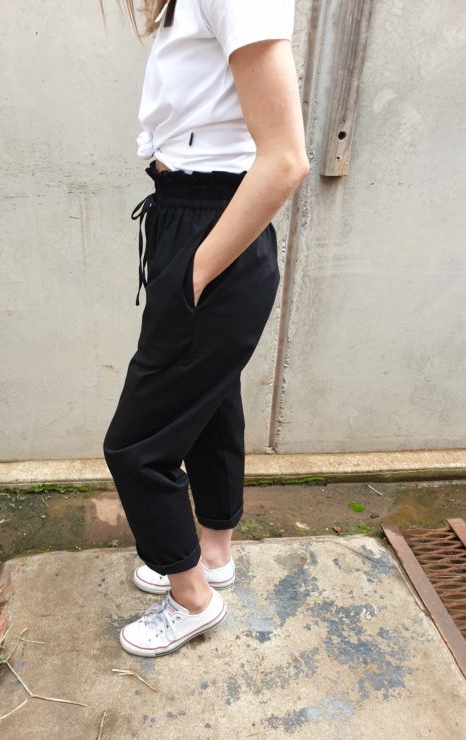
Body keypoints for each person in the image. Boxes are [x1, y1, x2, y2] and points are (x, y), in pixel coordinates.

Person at [102, 0, 309, 657]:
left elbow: (286, 159)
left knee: (137, 443)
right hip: (187, 215)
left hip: (212, 229)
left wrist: (194, 272)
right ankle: (213, 556)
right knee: (212, 407)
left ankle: (192, 597)